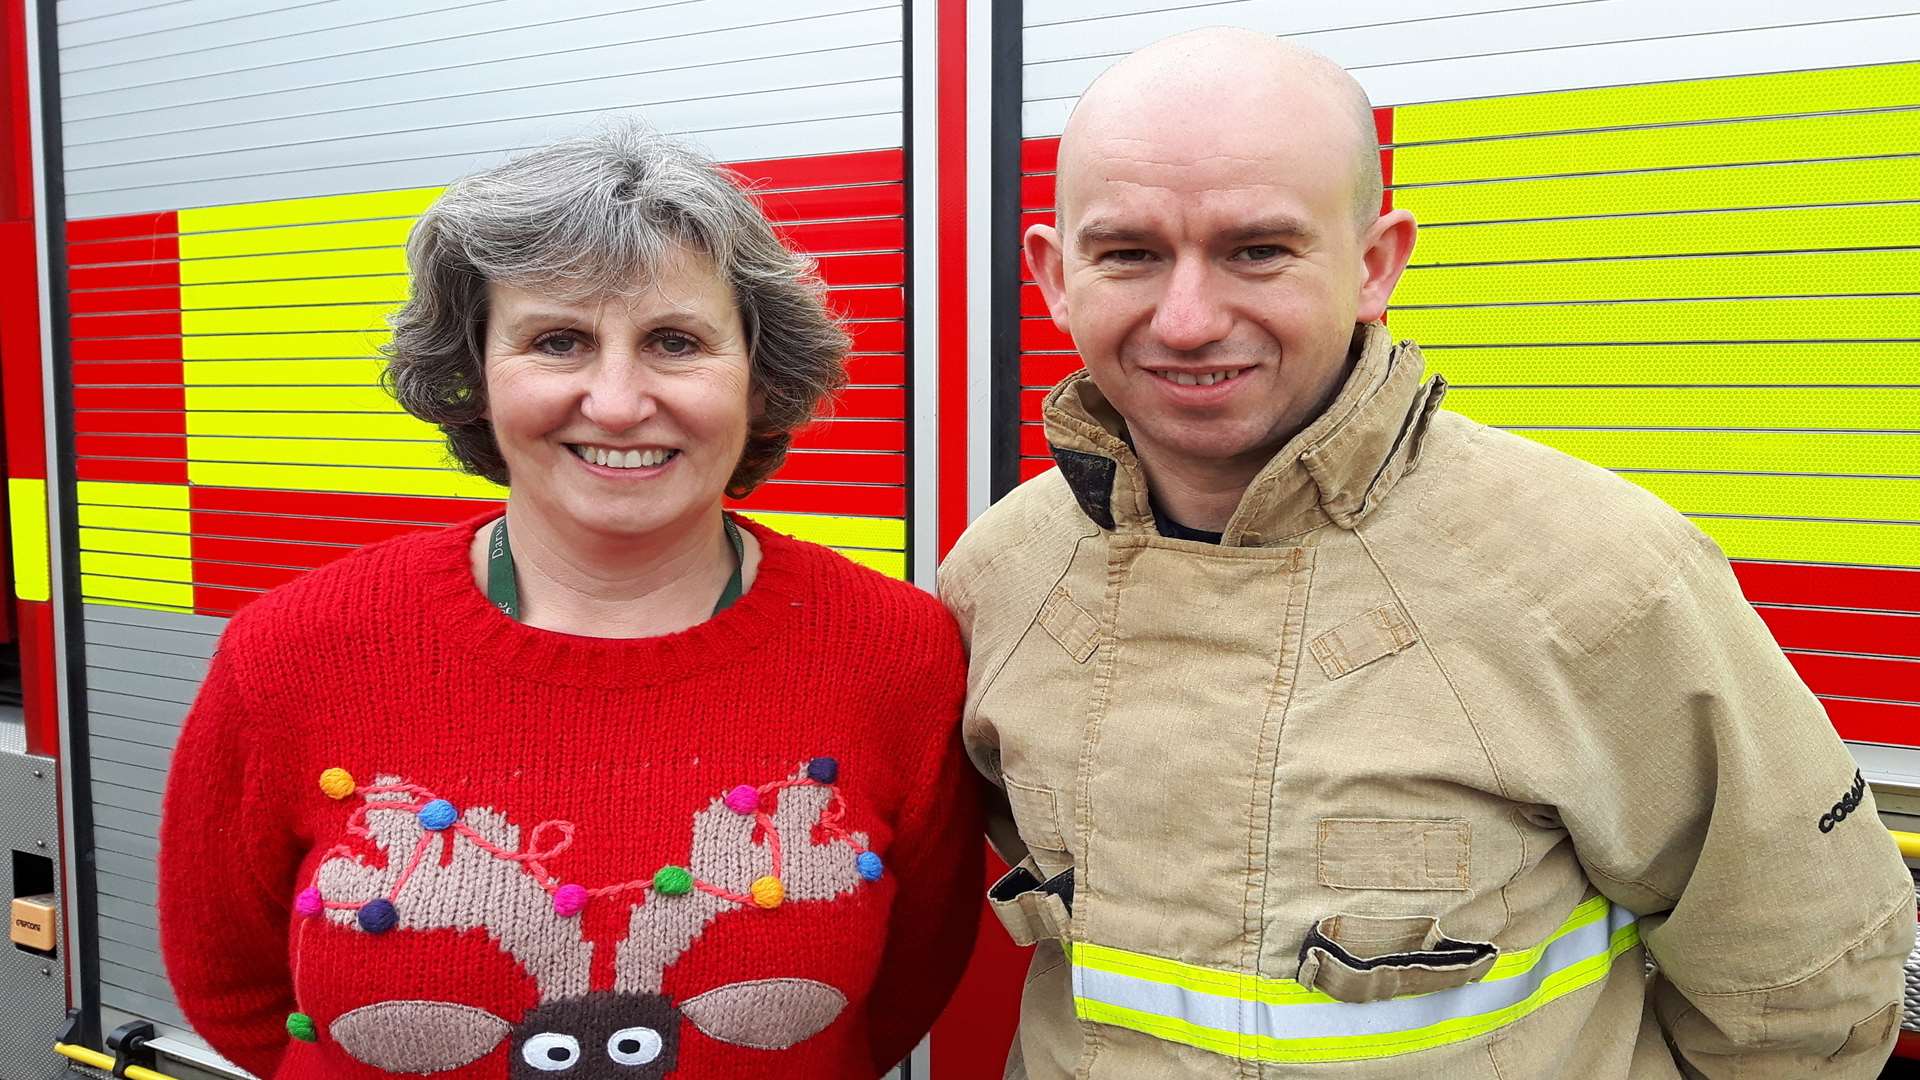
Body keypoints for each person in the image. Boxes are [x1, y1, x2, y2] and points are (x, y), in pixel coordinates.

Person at [939, 27, 1913, 1080]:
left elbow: (1805, 987)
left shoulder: (1594, 575)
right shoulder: (1000, 578)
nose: (1187, 318)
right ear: (1052, 275)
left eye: (1257, 250)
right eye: (1129, 252)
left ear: (1373, 264)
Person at [158, 127, 982, 1080]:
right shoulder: (297, 650)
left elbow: (899, 994)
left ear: (761, 377)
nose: (620, 400)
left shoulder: (898, 656)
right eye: (559, 341)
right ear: (472, 372)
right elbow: (234, 991)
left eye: (675, 342)